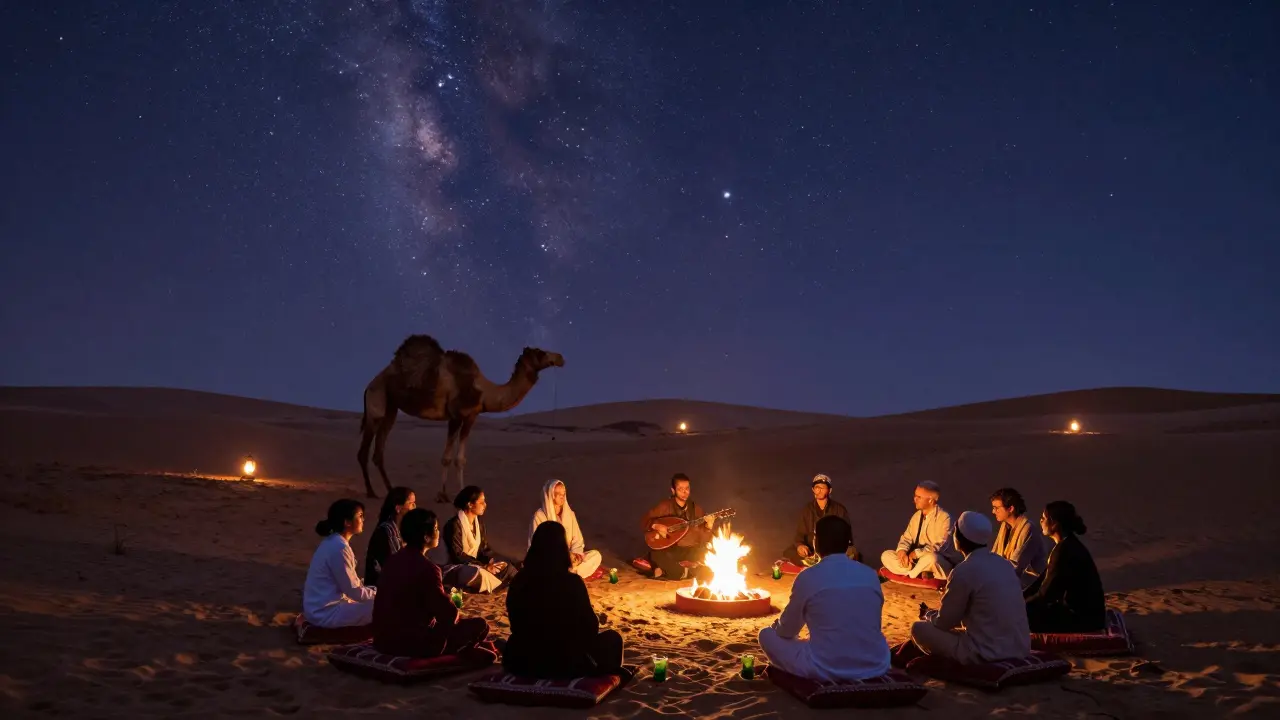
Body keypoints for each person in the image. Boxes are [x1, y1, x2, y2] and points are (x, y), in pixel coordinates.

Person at [759, 516, 892, 682]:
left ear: (816, 542)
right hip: (876, 664)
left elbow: (786, 631)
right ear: (847, 543)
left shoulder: (808, 577)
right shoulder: (870, 575)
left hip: (825, 667)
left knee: (766, 635)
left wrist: (776, 627)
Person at [503, 521, 627, 680]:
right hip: (563, 663)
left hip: (521, 661)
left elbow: (515, 622)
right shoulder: (572, 582)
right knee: (612, 639)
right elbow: (589, 628)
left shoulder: (519, 579)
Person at [909, 512, 1031, 664]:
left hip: (986, 652)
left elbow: (945, 622)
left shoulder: (963, 570)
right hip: (1019, 648)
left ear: (959, 539)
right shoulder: (1003, 564)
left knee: (918, 629)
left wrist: (928, 616)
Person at [372, 508, 491, 658]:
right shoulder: (428, 568)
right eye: (435, 528)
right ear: (426, 537)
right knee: (480, 625)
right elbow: (447, 614)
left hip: (382, 641)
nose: (438, 532)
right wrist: (453, 603)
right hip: (410, 644)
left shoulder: (392, 561)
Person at [1024, 501, 1107, 633]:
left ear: (1055, 524)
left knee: (1023, 616)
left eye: (1044, 518)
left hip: (1083, 619)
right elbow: (1042, 581)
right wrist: (1019, 598)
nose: (1040, 521)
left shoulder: (1064, 550)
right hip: (1083, 615)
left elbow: (1047, 594)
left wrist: (1021, 607)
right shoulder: (1065, 545)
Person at [303, 499, 377, 628]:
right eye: (360, 516)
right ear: (347, 522)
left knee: (377, 597)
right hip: (325, 613)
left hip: (320, 609)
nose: (363, 519)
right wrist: (379, 594)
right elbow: (355, 592)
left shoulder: (334, 542)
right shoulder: (340, 547)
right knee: (385, 605)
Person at [442, 485, 518, 593]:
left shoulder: (479, 523)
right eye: (481, 502)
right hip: (459, 568)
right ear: (470, 504)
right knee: (477, 573)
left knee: (506, 566)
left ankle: (518, 583)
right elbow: (457, 555)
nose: (485, 505)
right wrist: (484, 566)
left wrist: (492, 561)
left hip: (478, 565)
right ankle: (495, 585)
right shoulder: (453, 525)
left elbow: (484, 550)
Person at [640, 473, 716, 580]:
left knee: (708, 554)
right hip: (669, 551)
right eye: (680, 489)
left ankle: (671, 570)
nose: (685, 492)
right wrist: (656, 526)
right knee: (656, 555)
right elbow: (644, 520)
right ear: (673, 490)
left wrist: (708, 527)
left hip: (688, 550)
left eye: (687, 488)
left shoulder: (696, 509)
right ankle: (685, 570)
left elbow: (703, 539)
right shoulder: (665, 506)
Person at [880, 481, 962, 579]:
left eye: (919, 497)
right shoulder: (916, 516)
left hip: (937, 560)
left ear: (930, 500)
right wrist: (902, 551)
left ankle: (911, 574)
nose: (915, 499)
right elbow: (906, 538)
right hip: (915, 561)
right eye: (915, 496)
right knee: (886, 555)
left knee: (932, 558)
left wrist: (917, 553)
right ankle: (918, 572)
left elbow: (941, 546)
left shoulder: (945, 518)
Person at [529, 479, 603, 579]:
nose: (562, 496)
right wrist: (560, 556)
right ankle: (570, 574)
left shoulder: (569, 514)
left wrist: (575, 555)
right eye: (558, 494)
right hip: (551, 559)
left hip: (570, 559)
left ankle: (569, 573)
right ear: (550, 495)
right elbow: (536, 547)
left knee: (596, 555)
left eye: (563, 493)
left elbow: (578, 540)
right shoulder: (539, 517)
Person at [783, 474, 859, 567]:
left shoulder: (839, 510)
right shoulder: (807, 510)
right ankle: (815, 565)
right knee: (789, 552)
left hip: (833, 552)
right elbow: (800, 534)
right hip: (812, 552)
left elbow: (847, 537)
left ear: (829, 490)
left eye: (822, 488)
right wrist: (800, 546)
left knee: (852, 554)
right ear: (813, 489)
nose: (819, 491)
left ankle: (826, 565)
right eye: (817, 488)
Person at [989, 487, 1047, 588]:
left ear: (1010, 508)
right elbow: (994, 556)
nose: (993, 511)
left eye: (996, 508)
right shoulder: (1005, 526)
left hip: (1028, 588)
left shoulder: (1028, 528)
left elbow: (1015, 566)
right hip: (1008, 583)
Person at [363, 486, 416, 587]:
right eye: (411, 503)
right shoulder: (386, 532)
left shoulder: (400, 530)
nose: (415, 507)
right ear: (398, 508)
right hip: (382, 589)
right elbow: (394, 569)